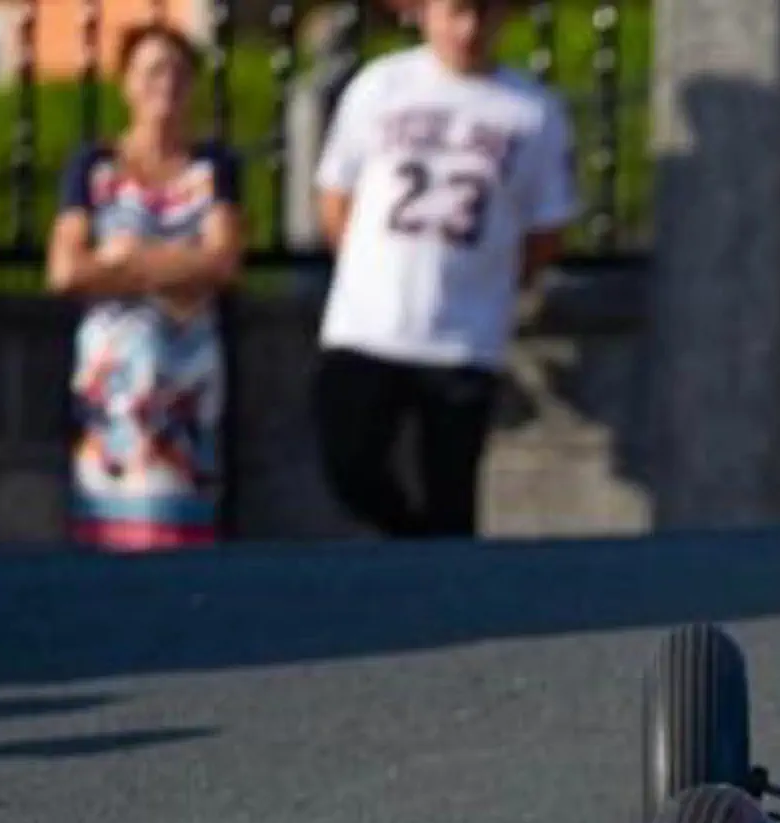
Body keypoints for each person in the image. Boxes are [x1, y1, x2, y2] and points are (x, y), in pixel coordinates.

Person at [309, 0, 578, 539]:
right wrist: (368, 269)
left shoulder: (531, 111)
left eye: (483, 13)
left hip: (463, 332)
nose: (468, 28)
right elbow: (336, 195)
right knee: (349, 463)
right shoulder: (381, 85)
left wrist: (495, 282)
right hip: (369, 323)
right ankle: (413, 543)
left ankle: (446, 589)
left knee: (453, 493)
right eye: (455, 11)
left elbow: (546, 228)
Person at [46, 23, 245, 551]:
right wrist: (181, 263)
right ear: (127, 83)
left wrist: (128, 260)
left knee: (182, 528)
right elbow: (67, 270)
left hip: (186, 380)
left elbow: (223, 261)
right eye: (153, 70)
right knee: (108, 531)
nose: (167, 84)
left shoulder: (212, 168)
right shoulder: (93, 167)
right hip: (114, 383)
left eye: (179, 72)